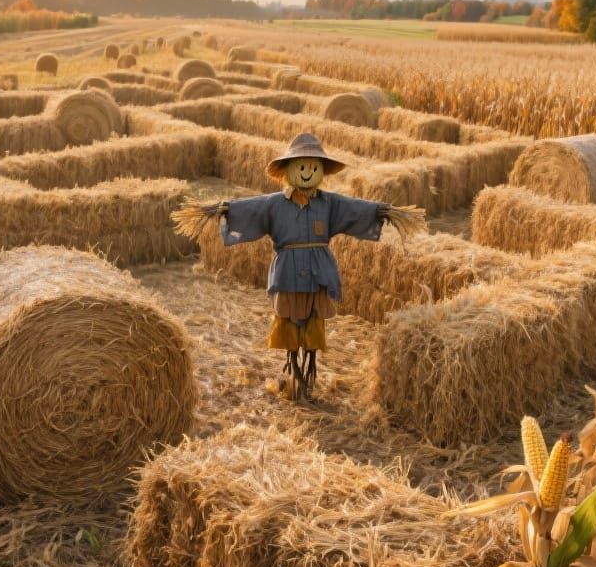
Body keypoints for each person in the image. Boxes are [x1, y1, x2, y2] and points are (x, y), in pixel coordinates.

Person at [174, 132, 424, 400]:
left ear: (321, 171)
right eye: (301, 167)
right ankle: (294, 368)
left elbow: (355, 208)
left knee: (315, 324)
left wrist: (380, 211)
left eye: (313, 167)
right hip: (288, 273)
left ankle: (311, 367)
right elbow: (250, 208)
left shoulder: (330, 203)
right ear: (289, 171)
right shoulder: (274, 203)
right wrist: (225, 209)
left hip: (319, 272)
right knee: (289, 323)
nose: (307, 172)